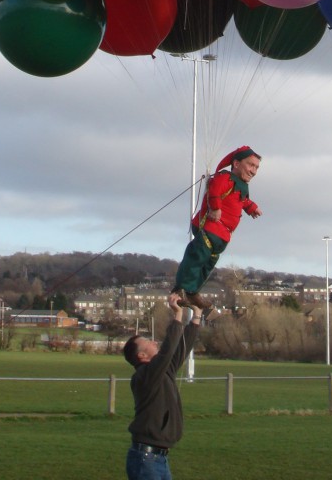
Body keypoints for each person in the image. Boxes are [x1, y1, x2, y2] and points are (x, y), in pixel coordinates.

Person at [171, 145, 262, 310]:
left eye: (256, 167)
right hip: (210, 229)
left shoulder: (240, 185)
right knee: (196, 258)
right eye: (250, 165)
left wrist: (251, 207)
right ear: (236, 163)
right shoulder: (224, 178)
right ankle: (182, 289)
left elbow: (241, 200)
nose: (254, 171)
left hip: (223, 236)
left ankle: (192, 292)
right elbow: (214, 191)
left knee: (207, 266)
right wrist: (215, 207)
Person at [123, 293, 203, 480]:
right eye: (148, 343)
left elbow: (180, 349)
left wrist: (197, 315)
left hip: (158, 459)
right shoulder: (144, 376)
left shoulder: (162, 372)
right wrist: (177, 314)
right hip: (146, 459)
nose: (153, 342)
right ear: (142, 356)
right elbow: (168, 350)